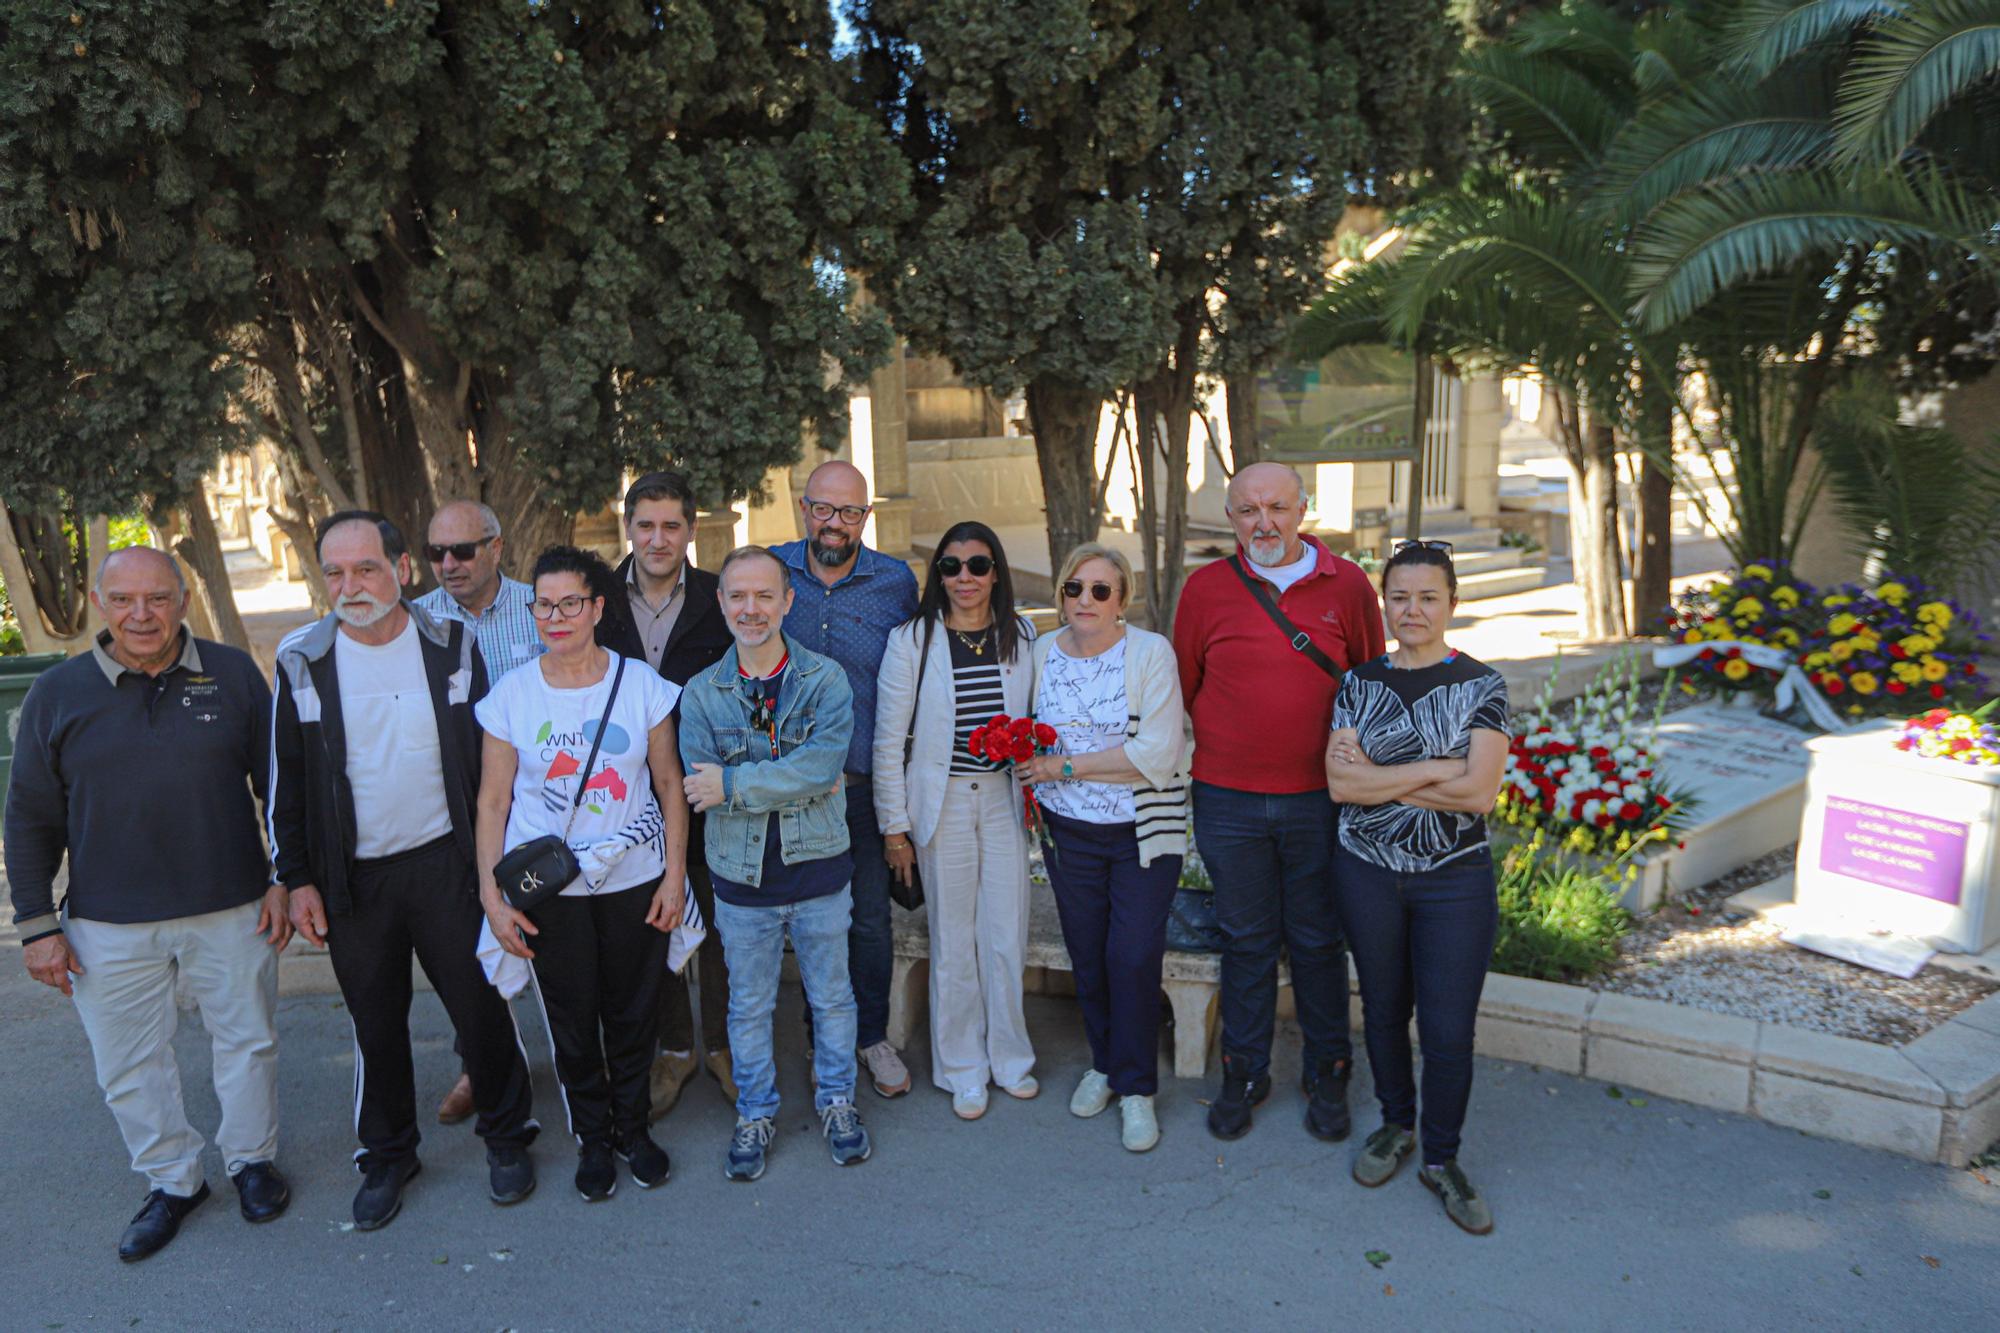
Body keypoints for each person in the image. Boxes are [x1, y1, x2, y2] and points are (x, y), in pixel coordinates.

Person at [5, 548, 291, 1261]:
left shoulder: (230, 674)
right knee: (129, 1064)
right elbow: (30, 815)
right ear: (101, 603)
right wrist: (38, 926)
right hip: (107, 922)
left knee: (247, 1041)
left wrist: (288, 875)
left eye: (158, 598)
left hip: (233, 905)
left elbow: (281, 785)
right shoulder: (58, 692)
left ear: (183, 599)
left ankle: (252, 1161)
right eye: (125, 599)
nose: (142, 614)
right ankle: (173, 1180)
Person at [271, 510, 538, 1230]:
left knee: (482, 1005)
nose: (350, 585)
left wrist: (494, 866)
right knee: (375, 1022)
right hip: (353, 879)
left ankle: (509, 1136)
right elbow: (286, 781)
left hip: (446, 863)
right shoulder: (301, 657)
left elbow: (490, 758)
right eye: (335, 571)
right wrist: (297, 877)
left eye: (365, 568)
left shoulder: (452, 643)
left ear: (402, 570)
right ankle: (388, 1155)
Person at [1171, 462, 1387, 1142]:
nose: (1263, 521)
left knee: (1320, 939)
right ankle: (1245, 1070)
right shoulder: (1205, 589)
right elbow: (1183, 683)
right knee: (1247, 940)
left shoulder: (1347, 584)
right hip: (1227, 800)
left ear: (1302, 510)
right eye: (1246, 510)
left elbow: (1372, 682)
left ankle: (1328, 1072)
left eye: (1276, 507)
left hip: (1321, 800)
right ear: (1229, 517)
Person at [475, 546, 689, 1202]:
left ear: (597, 608)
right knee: (572, 1018)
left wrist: (674, 875)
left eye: (572, 602)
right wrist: (491, 896)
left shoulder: (640, 685)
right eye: (545, 604)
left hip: (634, 878)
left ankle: (634, 1128)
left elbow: (668, 785)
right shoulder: (512, 694)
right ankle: (593, 1136)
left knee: (632, 1013)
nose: (557, 615)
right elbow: (493, 801)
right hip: (553, 891)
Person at [1326, 541, 1509, 1236]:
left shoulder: (1483, 684)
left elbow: (1481, 792)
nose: (1413, 609)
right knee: (1380, 1009)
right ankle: (1395, 1124)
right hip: (1365, 870)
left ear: (1452, 603)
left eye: (1428, 596)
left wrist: (1388, 772)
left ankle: (1442, 1157)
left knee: (1447, 1028)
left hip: (1453, 882)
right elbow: (1343, 785)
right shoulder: (1359, 682)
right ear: (1385, 602)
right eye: (1400, 596)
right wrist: (1440, 766)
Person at [677, 545, 872, 1181]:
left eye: (765, 596)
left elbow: (821, 768)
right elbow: (695, 780)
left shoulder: (825, 680)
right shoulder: (703, 693)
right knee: (748, 1005)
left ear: (788, 602)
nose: (751, 609)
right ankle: (756, 1112)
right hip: (741, 878)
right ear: (722, 603)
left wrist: (733, 786)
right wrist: (777, 780)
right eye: (739, 596)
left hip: (817, 867)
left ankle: (838, 1101)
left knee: (833, 998)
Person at [1016, 544, 1188, 1153]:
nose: (1084, 600)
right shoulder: (1041, 654)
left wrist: (1063, 766)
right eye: (1073, 589)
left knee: (1133, 956)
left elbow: (1156, 757)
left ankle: (1137, 1089)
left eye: (1100, 590)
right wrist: (1071, 771)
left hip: (1142, 835)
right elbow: (1024, 737)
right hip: (1069, 835)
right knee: (1089, 956)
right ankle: (1106, 1065)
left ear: (1123, 599)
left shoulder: (1148, 653)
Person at [872, 522, 1037, 1120]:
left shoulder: (1020, 633)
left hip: (1001, 800)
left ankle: (1011, 1058)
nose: (964, 577)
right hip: (940, 802)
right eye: (951, 566)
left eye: (977, 564)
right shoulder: (912, 640)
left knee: (1005, 932)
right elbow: (889, 743)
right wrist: (896, 829)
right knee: (953, 938)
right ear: (937, 574)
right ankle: (963, 1067)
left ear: (997, 572)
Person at [771, 459, 919, 1099]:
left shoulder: (895, 583)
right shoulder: (769, 572)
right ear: (804, 508)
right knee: (811, 923)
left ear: (867, 516)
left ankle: (871, 1038)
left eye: (850, 512)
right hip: (788, 792)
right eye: (824, 509)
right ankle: (820, 1039)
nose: (835, 523)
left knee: (868, 924)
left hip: (860, 789)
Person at [599, 471, 737, 1120]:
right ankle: (676, 1048)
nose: (658, 538)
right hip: (626, 798)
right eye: (645, 524)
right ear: (626, 525)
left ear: (692, 530)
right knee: (652, 926)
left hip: (710, 791)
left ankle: (725, 1047)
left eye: (671, 526)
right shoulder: (596, 601)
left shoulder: (720, 598)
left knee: (718, 925)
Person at [413, 498, 544, 1125]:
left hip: (547, 809)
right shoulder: (412, 625)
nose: (448, 564)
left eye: (462, 551)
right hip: (460, 817)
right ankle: (481, 1064)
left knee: (561, 938)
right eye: (437, 552)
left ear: (495, 547)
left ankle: (585, 1059)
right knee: (470, 949)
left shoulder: (541, 609)